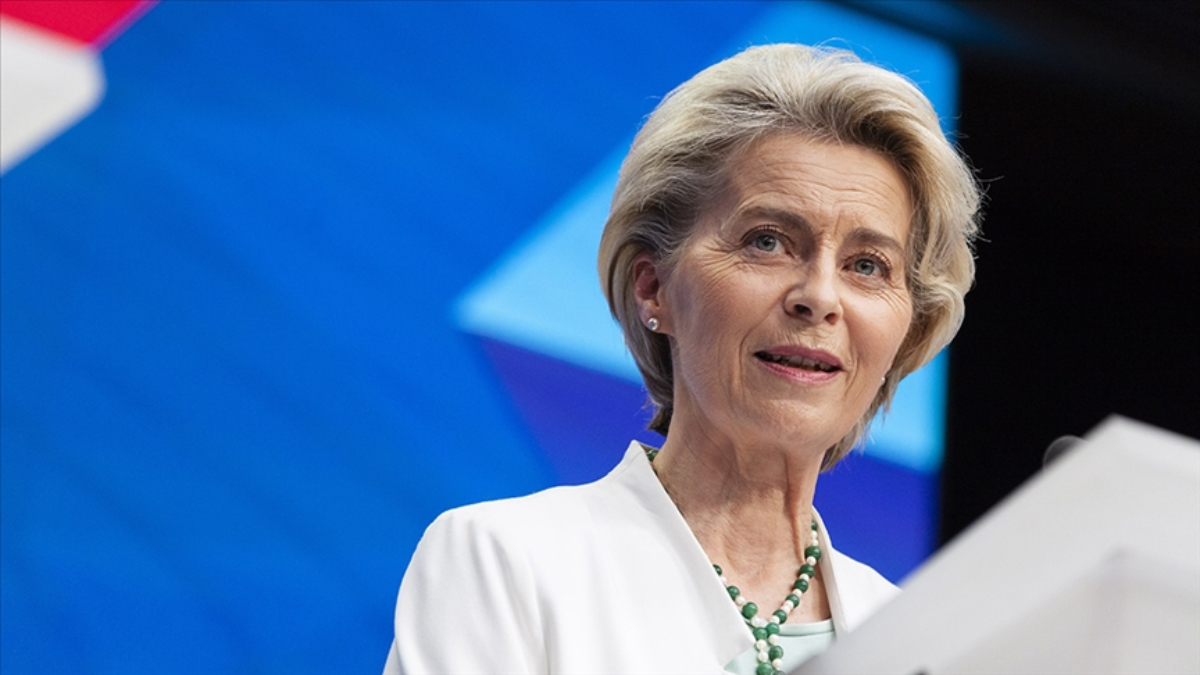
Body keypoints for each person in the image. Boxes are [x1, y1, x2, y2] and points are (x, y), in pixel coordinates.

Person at [383, 43, 980, 675]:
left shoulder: (919, 646)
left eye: (867, 265)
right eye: (768, 241)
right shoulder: (507, 564)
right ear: (653, 288)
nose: (820, 298)